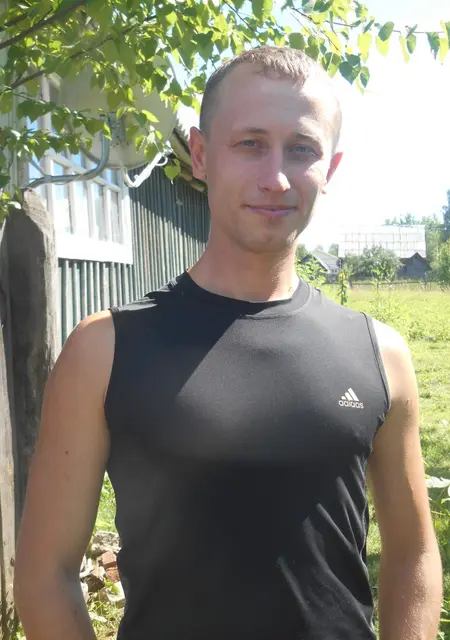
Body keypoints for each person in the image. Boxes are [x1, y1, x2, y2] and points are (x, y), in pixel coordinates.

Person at [14, 46, 442, 639]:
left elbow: (413, 553)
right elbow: (45, 575)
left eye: (302, 149)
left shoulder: (380, 355)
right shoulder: (105, 350)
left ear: (331, 168)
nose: (276, 177)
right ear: (200, 153)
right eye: (250, 143)